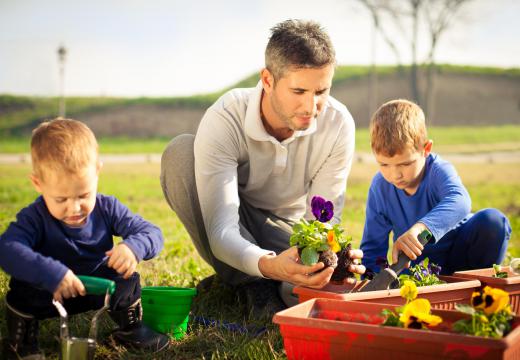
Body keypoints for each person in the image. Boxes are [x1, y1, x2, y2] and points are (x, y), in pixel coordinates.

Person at [161, 19, 365, 316]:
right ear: (268, 80)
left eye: (322, 91)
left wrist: (330, 259)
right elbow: (221, 229)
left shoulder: (338, 123)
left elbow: (323, 222)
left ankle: (259, 283)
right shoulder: (226, 117)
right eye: (299, 92)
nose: (312, 107)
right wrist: (268, 266)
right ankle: (249, 284)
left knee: (304, 289)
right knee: (180, 153)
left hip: (288, 230)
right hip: (232, 217)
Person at [0, 119, 169, 359]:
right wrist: (51, 273)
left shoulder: (107, 207)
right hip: (50, 292)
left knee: (126, 277)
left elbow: (152, 232)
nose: (75, 207)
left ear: (97, 172)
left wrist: (133, 247)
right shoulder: (35, 217)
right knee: (23, 288)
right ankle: (22, 341)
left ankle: (130, 329)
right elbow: (7, 249)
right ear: (38, 183)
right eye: (61, 199)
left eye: (83, 194)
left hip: (97, 287)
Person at [360, 99, 511, 276]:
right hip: (418, 272)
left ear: (426, 149)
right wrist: (370, 287)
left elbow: (461, 201)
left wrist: (420, 229)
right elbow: (372, 250)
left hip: (461, 258)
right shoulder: (380, 188)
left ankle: (478, 290)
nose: (395, 175)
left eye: (405, 164)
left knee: (493, 222)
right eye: (384, 165)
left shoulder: (438, 171)